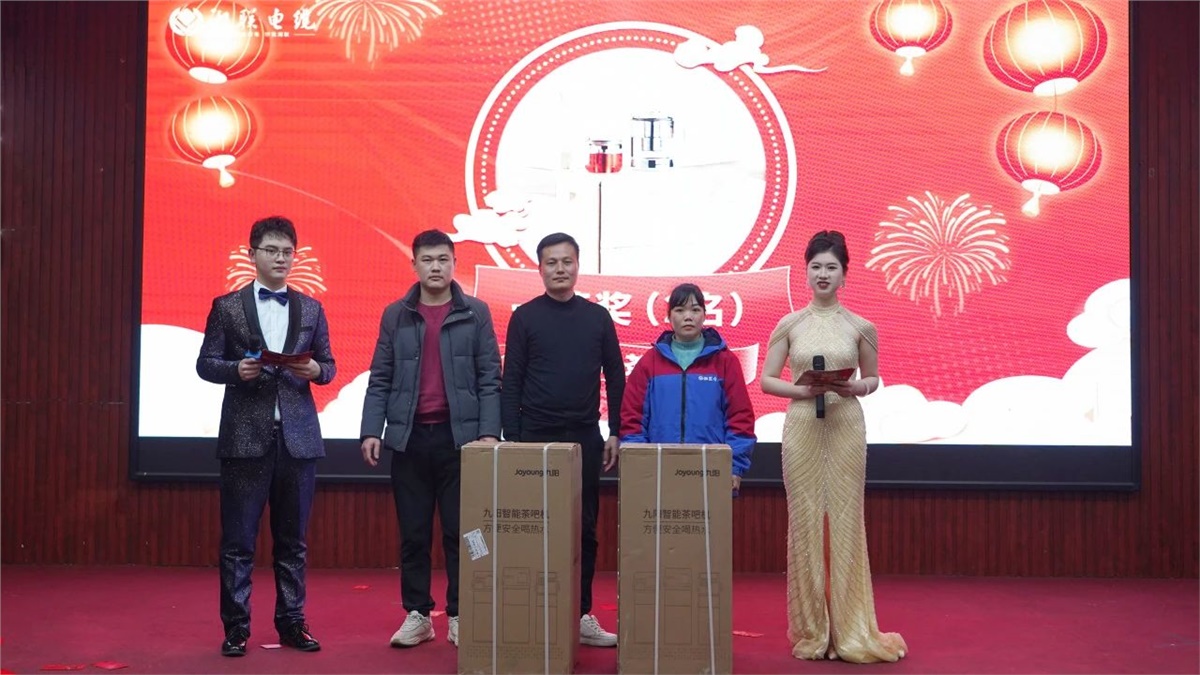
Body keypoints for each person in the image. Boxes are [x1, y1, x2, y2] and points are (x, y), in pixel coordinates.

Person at [759, 230, 906, 663]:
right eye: (816, 266)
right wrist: (801, 391)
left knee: (845, 522)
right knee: (804, 522)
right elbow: (767, 380)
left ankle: (851, 628)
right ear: (806, 272)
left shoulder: (860, 327)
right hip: (803, 426)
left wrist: (856, 386)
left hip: (845, 426)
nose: (823, 274)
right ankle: (813, 630)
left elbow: (873, 378)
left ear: (844, 275)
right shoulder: (790, 324)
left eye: (831, 267)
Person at [196, 215, 336, 657]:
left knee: (293, 541)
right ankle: (236, 628)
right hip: (244, 439)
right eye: (271, 250)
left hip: (298, 439)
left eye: (287, 252)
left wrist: (315, 369)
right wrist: (235, 369)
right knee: (239, 542)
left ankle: (292, 623)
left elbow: (329, 367)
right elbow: (205, 363)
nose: (280, 258)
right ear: (252, 254)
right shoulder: (227, 306)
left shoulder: (312, 308)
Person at [359, 229, 502, 649]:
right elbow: (380, 377)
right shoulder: (396, 314)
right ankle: (418, 614)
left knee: (463, 533)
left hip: (462, 442)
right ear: (415, 265)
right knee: (414, 533)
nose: (435, 267)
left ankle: (460, 614)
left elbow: (490, 377)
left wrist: (489, 433)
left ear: (454, 263)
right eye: (427, 259)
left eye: (443, 259)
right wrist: (371, 430)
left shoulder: (476, 312)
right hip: (410, 440)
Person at [500, 232, 624, 648]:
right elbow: (511, 380)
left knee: (584, 529)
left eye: (566, 261)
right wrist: (513, 438)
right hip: (535, 438)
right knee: (534, 528)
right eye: (551, 262)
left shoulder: (597, 317)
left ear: (577, 266)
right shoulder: (525, 317)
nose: (559, 269)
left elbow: (616, 376)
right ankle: (537, 614)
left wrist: (616, 431)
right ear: (539, 268)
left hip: (585, 438)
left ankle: (581, 613)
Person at [619, 282, 757, 490]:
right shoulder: (649, 363)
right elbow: (632, 418)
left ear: (705, 315)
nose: (688, 316)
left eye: (695, 309)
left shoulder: (725, 361)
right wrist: (641, 463)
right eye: (680, 310)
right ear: (669, 316)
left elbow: (740, 417)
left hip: (711, 469)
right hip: (658, 471)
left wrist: (734, 467)